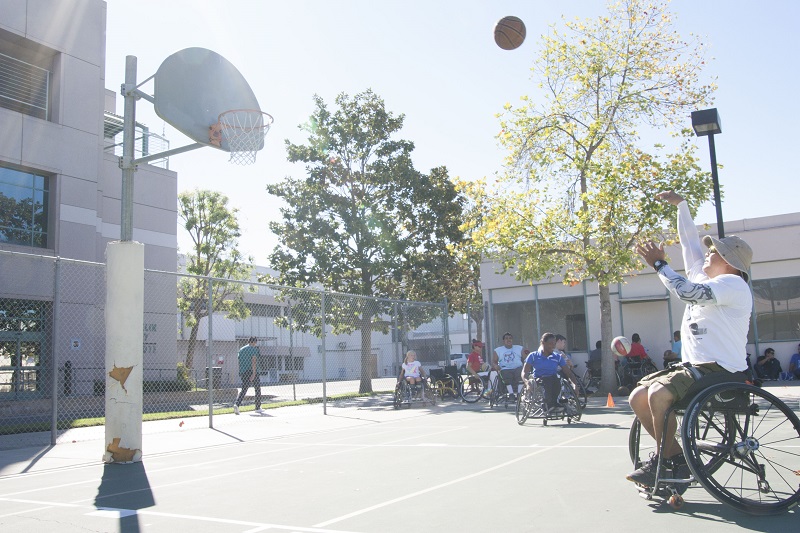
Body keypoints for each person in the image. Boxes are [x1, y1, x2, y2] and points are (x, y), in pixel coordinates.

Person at [630, 190, 753, 486]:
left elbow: (685, 292)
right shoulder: (703, 274)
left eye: (715, 251)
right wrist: (682, 205)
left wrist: (660, 265)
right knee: (637, 397)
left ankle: (662, 459)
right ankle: (675, 457)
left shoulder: (733, 284)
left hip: (722, 371)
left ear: (731, 262)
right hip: (694, 369)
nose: (708, 252)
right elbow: (688, 240)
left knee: (660, 395)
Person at [522, 332, 579, 413]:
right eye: (550, 344)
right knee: (548, 381)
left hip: (553, 378)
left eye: (554, 344)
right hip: (538, 379)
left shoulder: (557, 357)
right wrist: (527, 382)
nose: (553, 346)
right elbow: (524, 372)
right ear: (543, 343)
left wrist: (575, 385)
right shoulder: (533, 355)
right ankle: (548, 405)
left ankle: (554, 403)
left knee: (558, 380)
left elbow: (568, 372)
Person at [234, 336, 262, 415]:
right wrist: (253, 373)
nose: (255, 344)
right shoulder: (253, 349)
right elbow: (253, 361)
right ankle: (257, 407)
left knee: (244, 389)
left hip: (243, 371)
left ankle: (237, 404)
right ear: (254, 342)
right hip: (252, 371)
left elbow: (239, 361)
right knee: (257, 389)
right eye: (255, 343)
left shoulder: (241, 349)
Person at [492, 332, 524, 399]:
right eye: (506, 338)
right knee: (506, 376)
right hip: (505, 368)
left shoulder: (519, 348)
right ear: (503, 341)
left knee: (521, 374)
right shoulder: (498, 350)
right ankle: (511, 394)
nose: (508, 340)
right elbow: (494, 361)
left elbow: (526, 358)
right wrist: (495, 366)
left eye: (510, 338)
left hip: (518, 367)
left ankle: (519, 394)